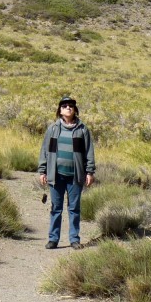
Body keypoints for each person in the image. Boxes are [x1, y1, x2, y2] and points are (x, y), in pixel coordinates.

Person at [37, 95, 95, 249]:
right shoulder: (53, 129)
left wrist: (89, 172)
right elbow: (45, 151)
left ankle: (74, 239)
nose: (68, 108)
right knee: (56, 208)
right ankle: (53, 239)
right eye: (64, 106)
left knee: (74, 209)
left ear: (75, 109)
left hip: (75, 176)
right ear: (60, 110)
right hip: (56, 175)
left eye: (71, 106)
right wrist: (42, 171)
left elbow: (89, 152)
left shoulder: (82, 129)